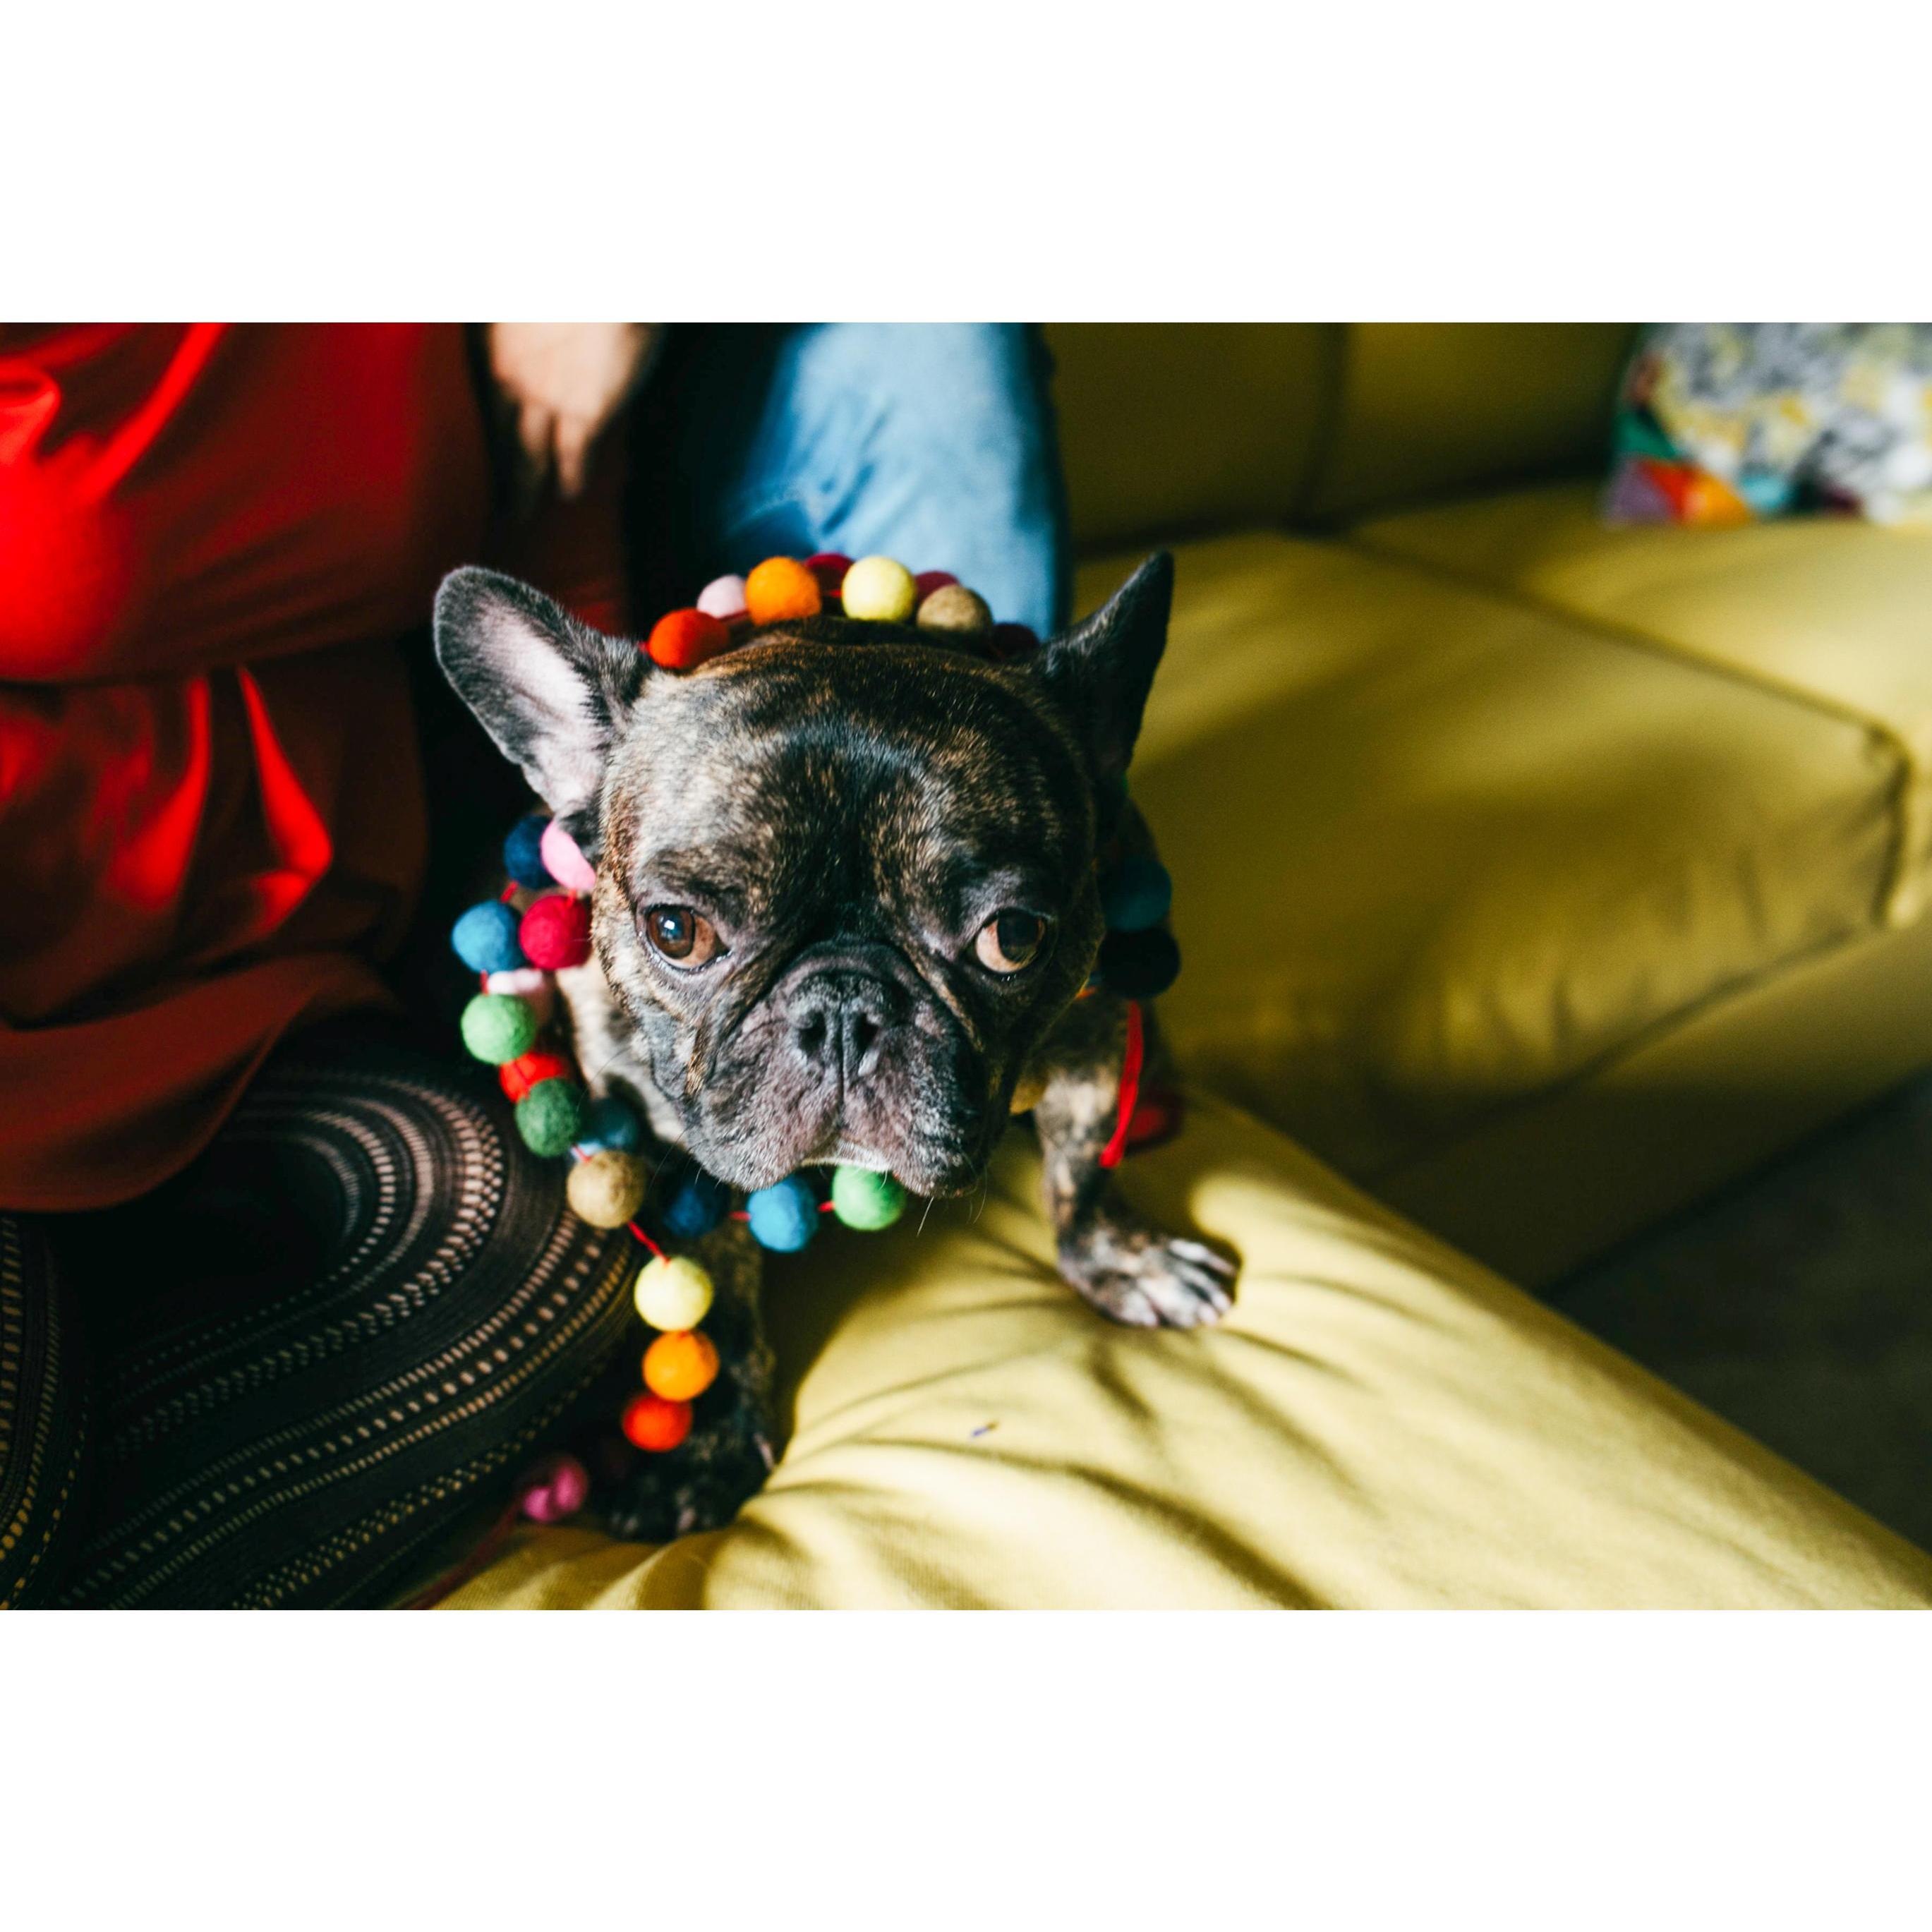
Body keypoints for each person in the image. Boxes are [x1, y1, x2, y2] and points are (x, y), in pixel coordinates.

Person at [0, 322, 1068, 1607]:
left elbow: (596, 681)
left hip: (275, 970)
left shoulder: (485, 324)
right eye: (690, 932)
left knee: (543, 1265)